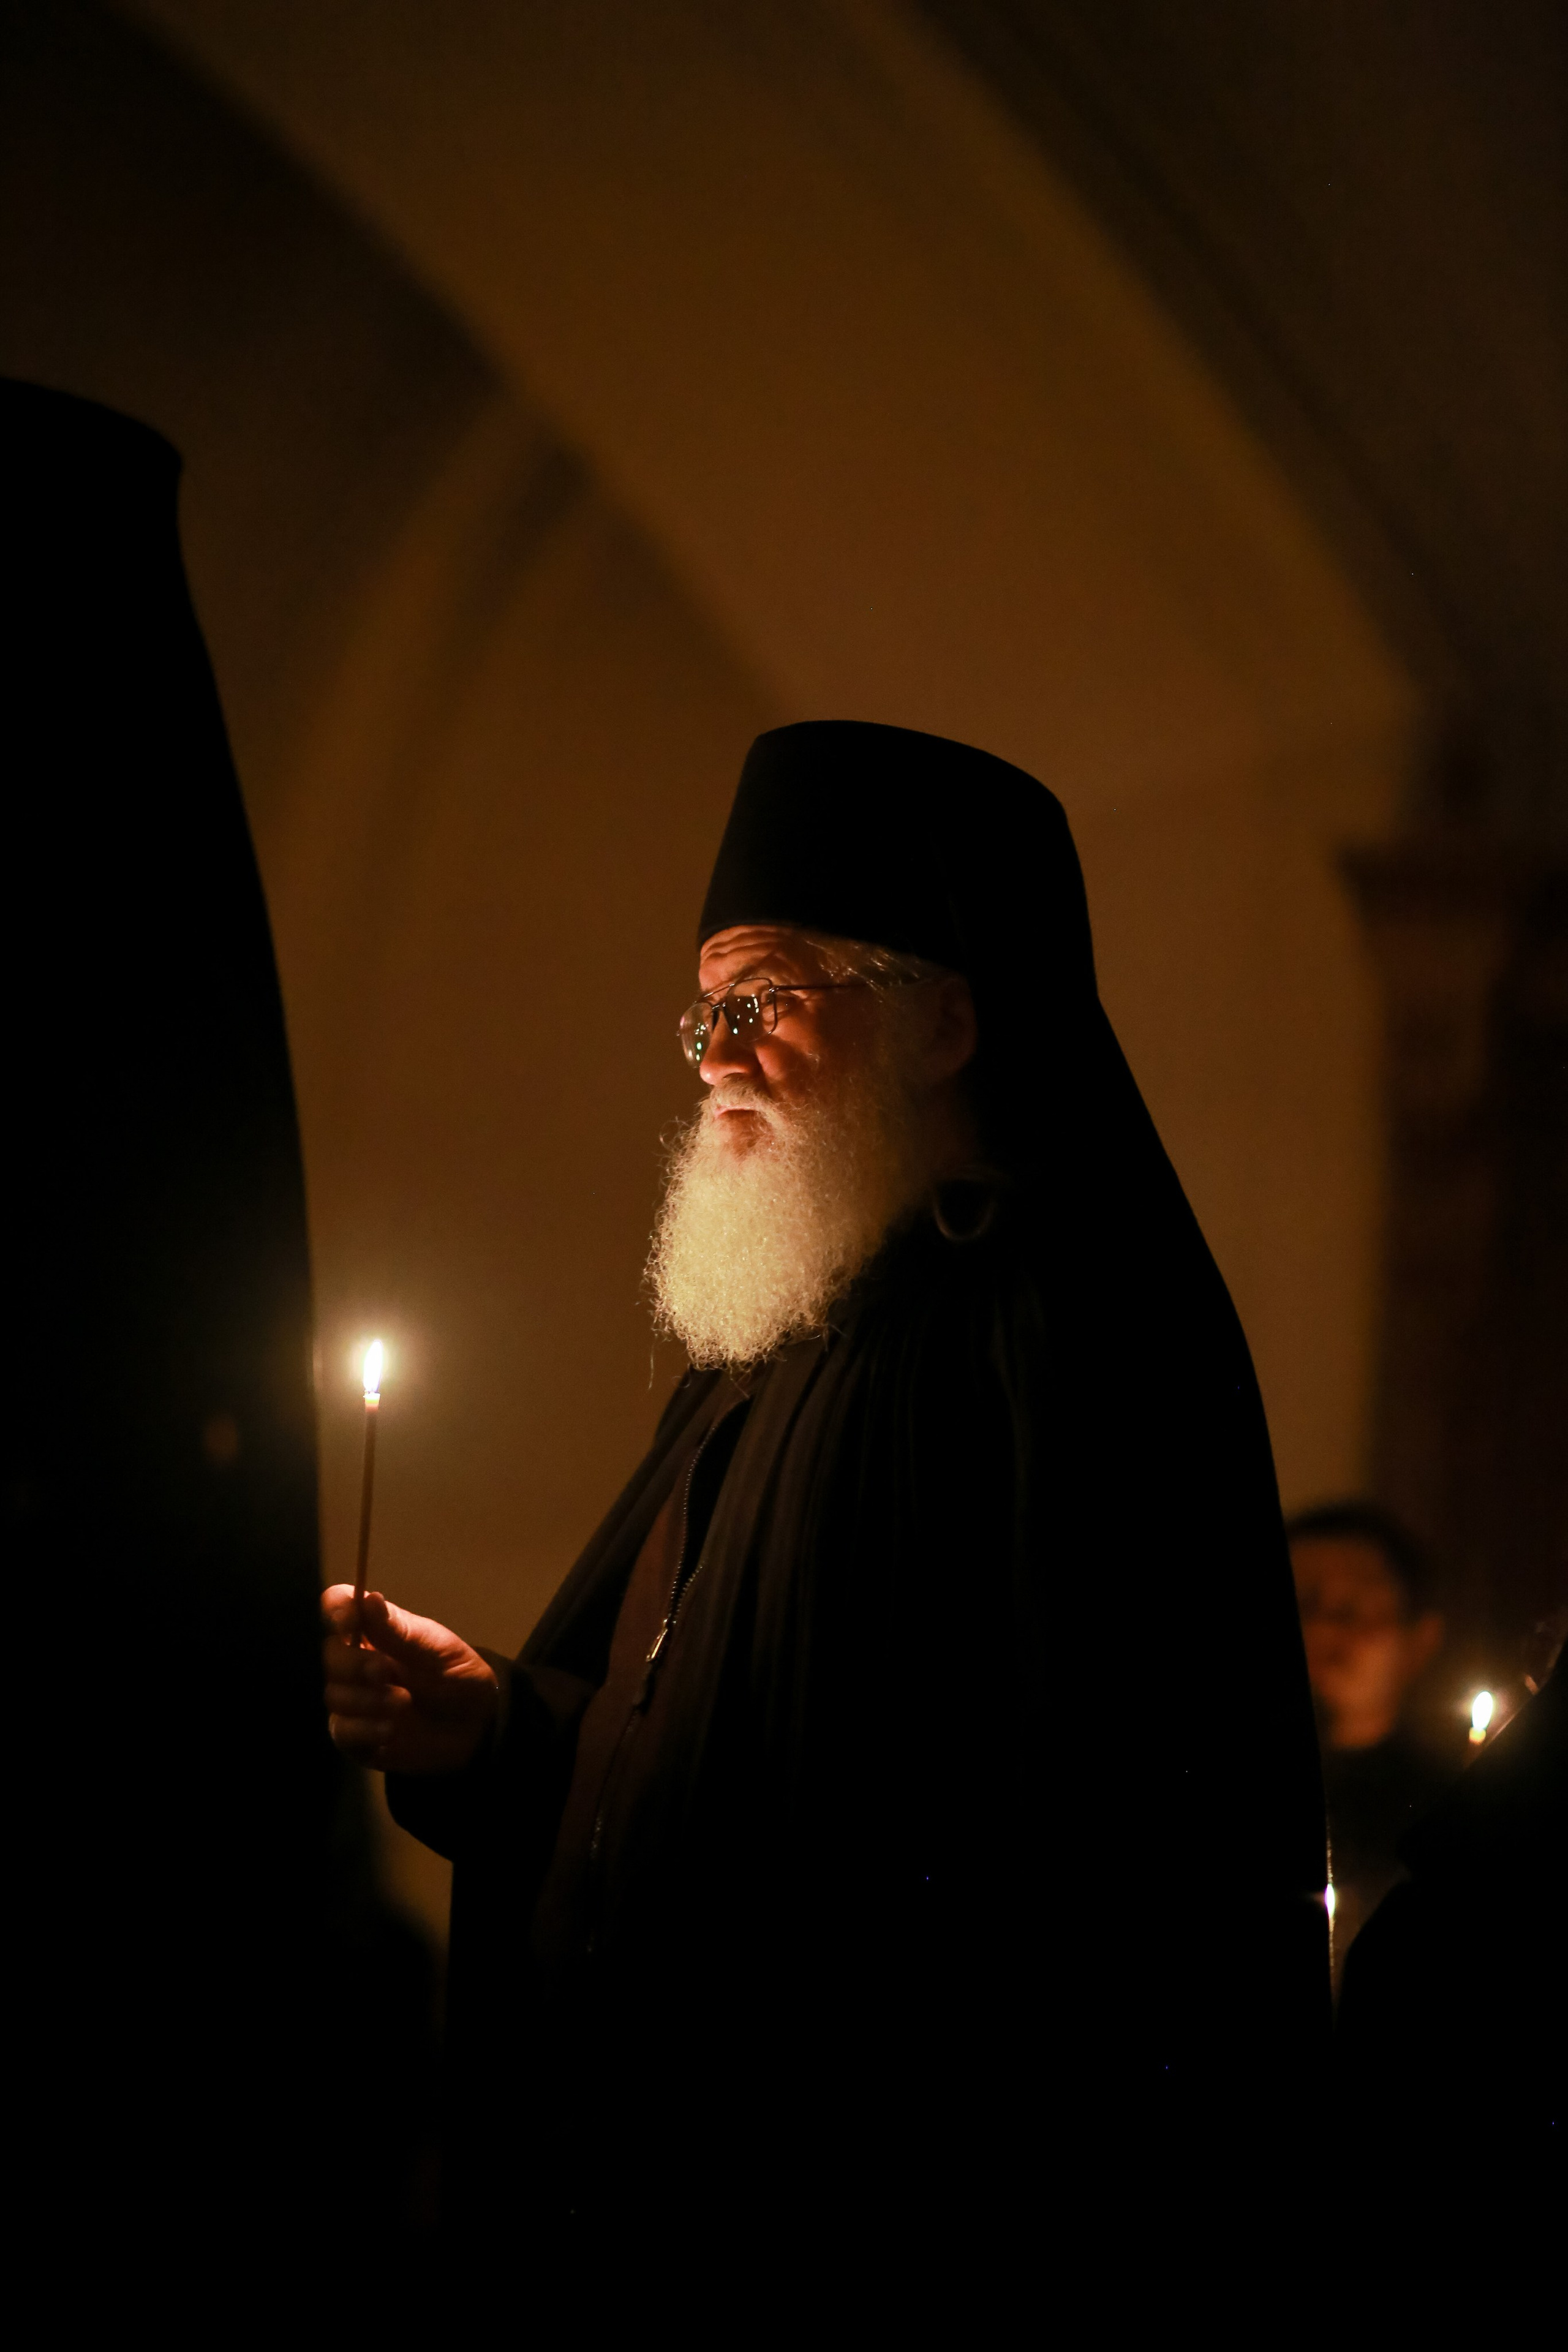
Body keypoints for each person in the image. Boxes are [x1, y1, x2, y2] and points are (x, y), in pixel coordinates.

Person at [322, 721, 1328, 2269]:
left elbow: (1077, 1879)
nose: (719, 1054)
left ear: (944, 1022)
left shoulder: (1058, 1346)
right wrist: (507, 1736)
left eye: (770, 998)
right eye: (708, 1009)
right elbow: (705, 1758)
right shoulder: (769, 1344)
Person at [1286, 1501, 1459, 1989]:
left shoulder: (1447, 1808)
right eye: (1300, 1606)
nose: (1321, 1633)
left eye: (1351, 1610)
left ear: (1419, 1642)